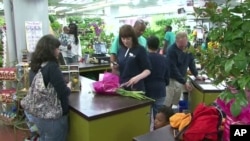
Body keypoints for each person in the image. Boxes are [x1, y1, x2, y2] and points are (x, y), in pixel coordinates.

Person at [26, 34, 71, 141]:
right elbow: (63, 92)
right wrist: (69, 86)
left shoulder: (35, 65)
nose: (59, 51)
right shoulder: (51, 66)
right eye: (57, 48)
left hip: (35, 115)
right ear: (51, 50)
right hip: (52, 118)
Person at [165, 32, 203, 108]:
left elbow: (191, 62)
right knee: (167, 101)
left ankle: (170, 115)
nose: (183, 48)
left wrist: (196, 74)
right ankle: (166, 117)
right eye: (181, 46)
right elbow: (173, 69)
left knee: (174, 101)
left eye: (184, 45)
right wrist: (184, 82)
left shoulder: (189, 47)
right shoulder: (171, 50)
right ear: (176, 41)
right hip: (171, 78)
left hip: (181, 78)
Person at [117, 24, 151, 91]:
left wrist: (137, 78)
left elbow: (148, 70)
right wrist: (115, 67)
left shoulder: (140, 49)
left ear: (132, 37)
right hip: (123, 87)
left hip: (136, 88)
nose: (125, 41)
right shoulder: (121, 50)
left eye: (128, 39)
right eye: (123, 38)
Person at [144, 35, 169, 119]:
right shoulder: (164, 59)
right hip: (160, 90)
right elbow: (167, 76)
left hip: (146, 90)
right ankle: (157, 132)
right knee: (158, 118)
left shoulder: (144, 58)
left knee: (146, 116)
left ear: (147, 45)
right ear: (158, 46)